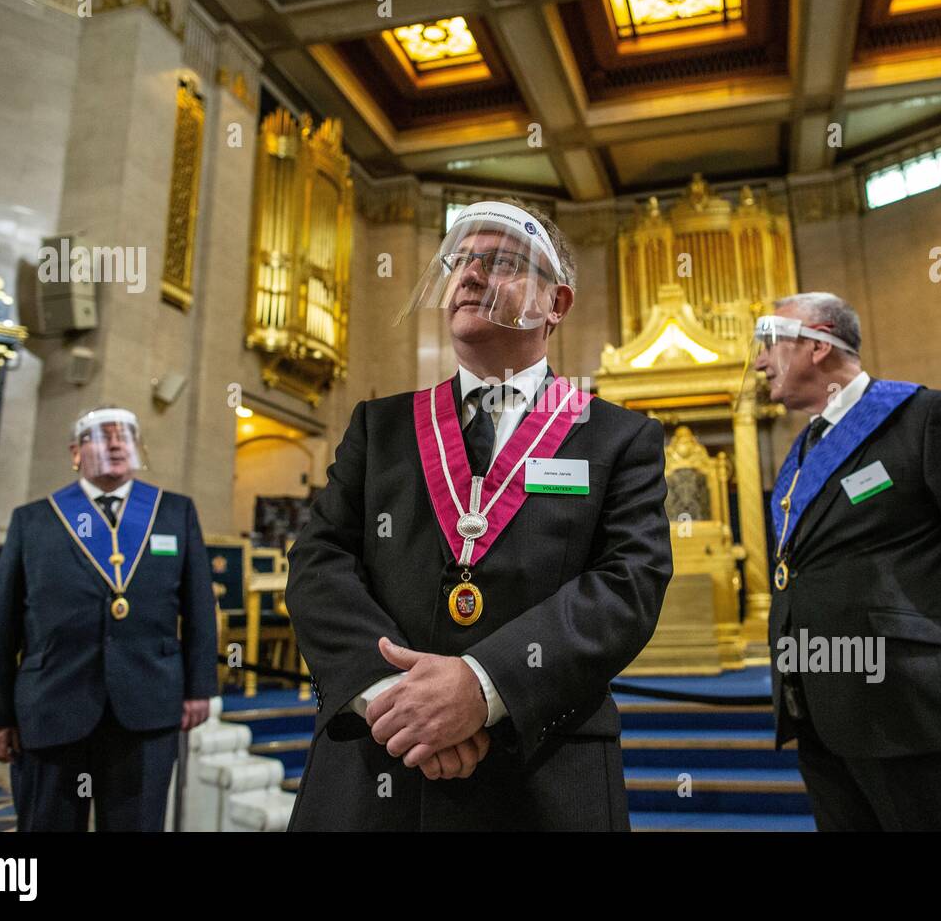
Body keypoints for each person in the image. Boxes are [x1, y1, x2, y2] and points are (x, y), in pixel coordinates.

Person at [286, 198, 673, 830]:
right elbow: (318, 562)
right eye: (460, 261)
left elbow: (628, 586)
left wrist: (482, 685)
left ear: (558, 305)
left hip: (543, 768)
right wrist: (393, 697)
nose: (469, 274)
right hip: (379, 762)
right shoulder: (380, 428)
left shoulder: (617, 438)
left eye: (499, 263)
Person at [751, 292, 941, 830]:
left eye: (770, 344)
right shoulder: (803, 450)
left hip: (917, 708)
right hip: (820, 707)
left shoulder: (924, 417)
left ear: (816, 343)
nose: (761, 362)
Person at [0, 406, 217, 831]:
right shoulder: (33, 520)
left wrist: (200, 687)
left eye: (126, 435)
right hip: (50, 705)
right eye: (101, 436)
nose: (117, 443)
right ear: (75, 451)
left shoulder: (174, 513)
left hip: (148, 707)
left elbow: (199, 608)